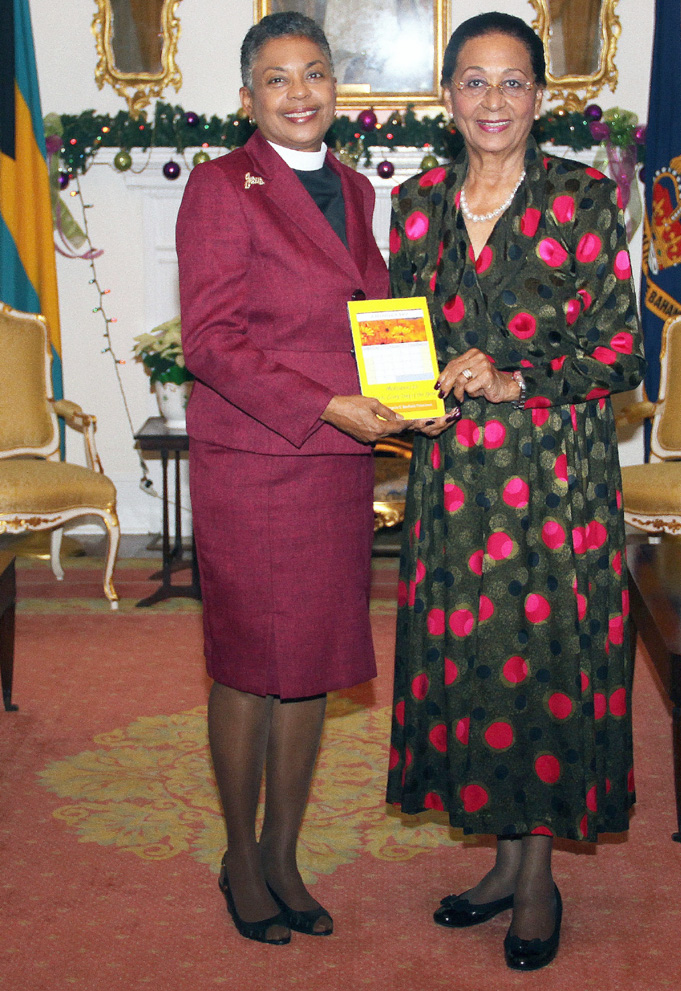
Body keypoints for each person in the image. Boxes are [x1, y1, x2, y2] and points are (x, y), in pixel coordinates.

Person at [386, 12, 645, 971]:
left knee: (541, 664)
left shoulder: (581, 199)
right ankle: (500, 863)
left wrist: (517, 376)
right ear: (447, 95)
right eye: (474, 81)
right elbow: (398, 342)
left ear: (540, 96)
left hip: (552, 483)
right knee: (477, 666)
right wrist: (396, 399)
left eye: (513, 83)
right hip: (453, 486)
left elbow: (621, 350)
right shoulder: (413, 206)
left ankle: (537, 876)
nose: (493, 101)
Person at [176, 11, 413, 946]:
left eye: (314, 73)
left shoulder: (353, 187)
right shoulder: (218, 188)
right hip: (258, 461)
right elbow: (212, 344)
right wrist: (327, 403)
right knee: (248, 666)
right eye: (278, 78)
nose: (301, 92)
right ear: (248, 96)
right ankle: (240, 856)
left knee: (309, 664)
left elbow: (378, 310)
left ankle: (283, 853)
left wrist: (411, 388)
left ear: (335, 87)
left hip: (336, 467)